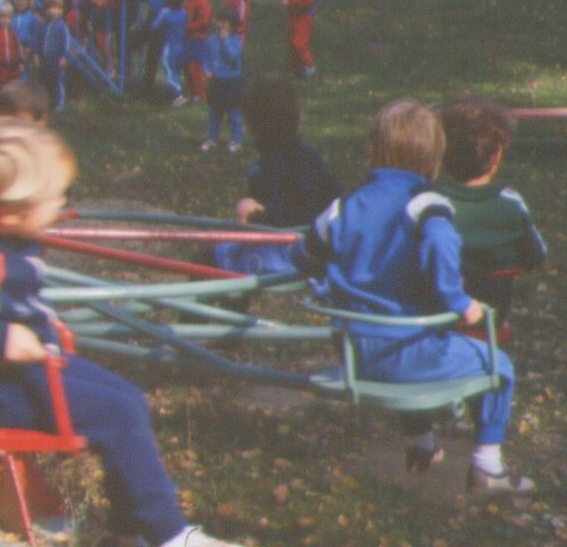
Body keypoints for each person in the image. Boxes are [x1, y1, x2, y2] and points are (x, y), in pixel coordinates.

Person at [0, 119, 242, 547]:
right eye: (55, 197)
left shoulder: (4, 238)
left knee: (129, 400)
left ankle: (130, 529)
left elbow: (14, 302)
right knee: (117, 414)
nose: (63, 202)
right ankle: (169, 535)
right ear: (9, 212)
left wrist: (41, 324)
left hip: (29, 373)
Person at [291, 99, 534, 494]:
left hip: (354, 353)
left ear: (372, 152)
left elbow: (302, 256)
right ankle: (488, 468)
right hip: (409, 355)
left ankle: (421, 443)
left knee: (413, 345)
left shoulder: (341, 207)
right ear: (433, 160)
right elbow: (441, 247)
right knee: (499, 366)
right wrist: (458, 301)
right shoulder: (426, 205)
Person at [213, 72, 342, 275]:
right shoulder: (312, 159)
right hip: (314, 249)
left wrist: (253, 212)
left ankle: (231, 296)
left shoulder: (264, 171)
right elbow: (336, 198)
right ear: (297, 118)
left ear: (250, 128)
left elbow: (274, 222)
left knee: (206, 258)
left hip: (281, 257)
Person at [437, 97, 547, 320]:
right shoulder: (511, 205)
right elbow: (536, 256)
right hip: (490, 320)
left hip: (435, 319)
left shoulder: (428, 203)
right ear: (496, 155)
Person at [195, 7, 244, 153]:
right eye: (219, 21)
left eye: (225, 22)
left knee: (233, 112)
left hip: (231, 81)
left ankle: (235, 140)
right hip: (216, 81)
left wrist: (225, 41)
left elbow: (233, 58)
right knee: (214, 112)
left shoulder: (235, 40)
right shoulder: (211, 39)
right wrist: (206, 69)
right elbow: (205, 57)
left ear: (232, 24)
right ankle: (211, 138)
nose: (221, 24)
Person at [147, 0, 188, 102]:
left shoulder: (166, 12)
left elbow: (154, 26)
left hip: (169, 46)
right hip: (181, 45)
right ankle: (175, 92)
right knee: (176, 70)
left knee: (169, 70)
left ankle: (177, 94)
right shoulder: (184, 12)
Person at [178, 0, 213, 106]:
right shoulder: (186, 2)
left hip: (197, 38)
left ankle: (200, 94)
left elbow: (203, 22)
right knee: (187, 66)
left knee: (194, 67)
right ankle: (192, 93)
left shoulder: (203, 3)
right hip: (186, 38)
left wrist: (186, 27)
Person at [284, 0, 317, 78]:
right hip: (294, 16)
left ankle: (309, 66)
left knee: (299, 43)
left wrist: (290, 3)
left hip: (303, 17)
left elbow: (307, 2)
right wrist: (287, 1)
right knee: (292, 43)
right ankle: (297, 67)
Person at [0, 3, 25, 94]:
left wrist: (21, 62)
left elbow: (18, 48)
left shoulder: (13, 33)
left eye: (7, 17)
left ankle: (11, 101)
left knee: (13, 87)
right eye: (2, 17)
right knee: (0, 87)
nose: (5, 20)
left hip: (13, 65)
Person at [39, 0, 70, 114]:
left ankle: (59, 103)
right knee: (46, 80)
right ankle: (47, 102)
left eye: (56, 8)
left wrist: (63, 56)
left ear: (61, 10)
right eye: (49, 8)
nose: (52, 11)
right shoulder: (44, 25)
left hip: (57, 59)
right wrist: (37, 55)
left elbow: (65, 43)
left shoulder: (62, 26)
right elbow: (39, 40)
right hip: (45, 58)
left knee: (57, 81)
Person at [9, 0, 43, 75]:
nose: (20, 2)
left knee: (23, 75)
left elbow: (35, 36)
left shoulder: (32, 17)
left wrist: (31, 51)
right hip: (11, 49)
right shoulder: (10, 16)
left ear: (28, 1)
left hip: (26, 50)